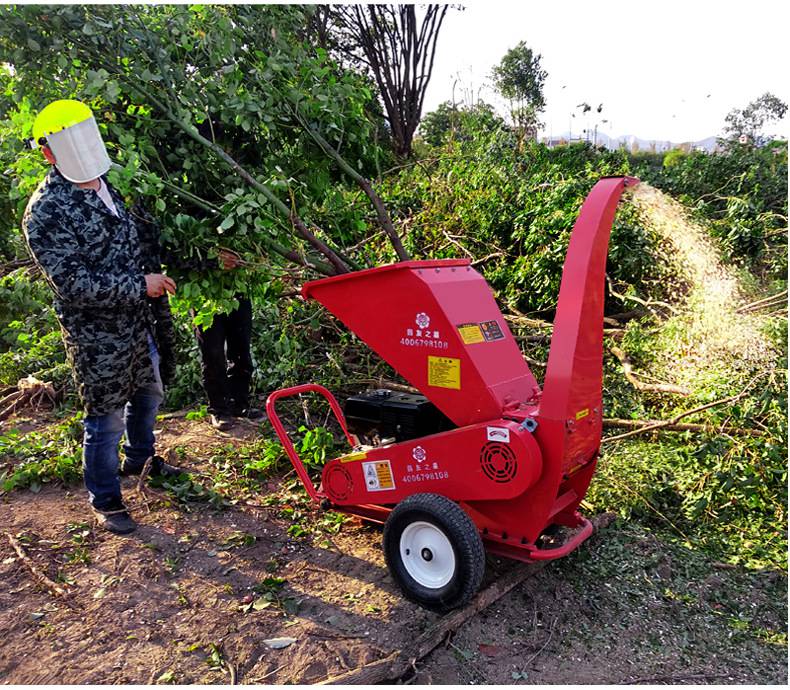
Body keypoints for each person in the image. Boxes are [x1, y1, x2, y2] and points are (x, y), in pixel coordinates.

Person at [22, 99, 181, 535]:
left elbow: (140, 237)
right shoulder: (47, 209)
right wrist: (140, 285)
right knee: (106, 417)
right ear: (48, 152)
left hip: (139, 324)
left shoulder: (108, 182)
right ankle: (106, 499)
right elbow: (73, 284)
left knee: (149, 394)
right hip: (97, 337)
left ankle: (141, 459)